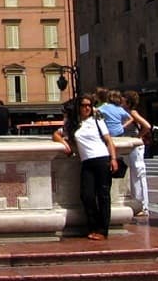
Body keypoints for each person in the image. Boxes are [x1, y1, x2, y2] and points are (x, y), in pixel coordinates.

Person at [53, 94, 119, 240]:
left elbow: (109, 141)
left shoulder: (97, 121)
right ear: (78, 107)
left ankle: (103, 230)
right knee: (87, 195)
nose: (87, 108)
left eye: (89, 105)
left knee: (103, 196)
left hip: (102, 159)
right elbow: (56, 134)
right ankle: (94, 226)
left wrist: (113, 158)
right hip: (87, 162)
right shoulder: (72, 124)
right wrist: (65, 144)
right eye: (83, 105)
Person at [122, 90, 151, 217]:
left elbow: (147, 126)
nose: (121, 102)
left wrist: (138, 137)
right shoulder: (125, 113)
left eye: (123, 100)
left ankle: (143, 206)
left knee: (138, 175)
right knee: (133, 176)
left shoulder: (132, 113)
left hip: (136, 147)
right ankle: (137, 203)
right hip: (129, 146)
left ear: (128, 102)